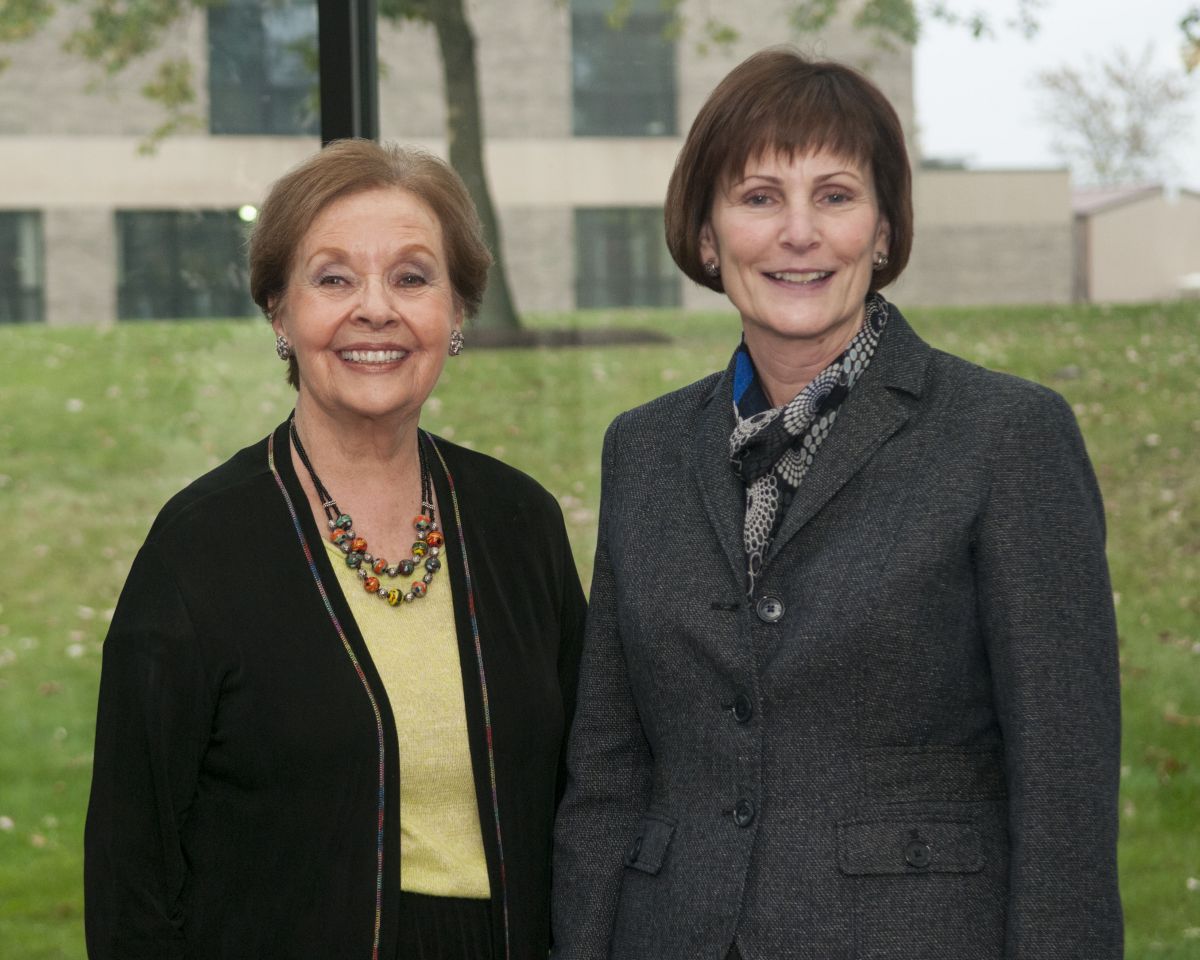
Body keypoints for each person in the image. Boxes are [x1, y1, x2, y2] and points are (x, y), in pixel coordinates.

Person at [551, 48, 1122, 960]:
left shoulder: (1006, 436)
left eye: (836, 195)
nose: (799, 233)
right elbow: (608, 770)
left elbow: (1065, 789)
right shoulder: (644, 448)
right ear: (706, 235)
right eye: (759, 196)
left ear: (886, 231)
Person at [85, 139, 586, 960]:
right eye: (333, 278)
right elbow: (129, 871)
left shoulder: (518, 524)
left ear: (457, 312)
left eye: (413, 277)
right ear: (280, 313)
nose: (376, 309)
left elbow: (590, 792)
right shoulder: (202, 549)